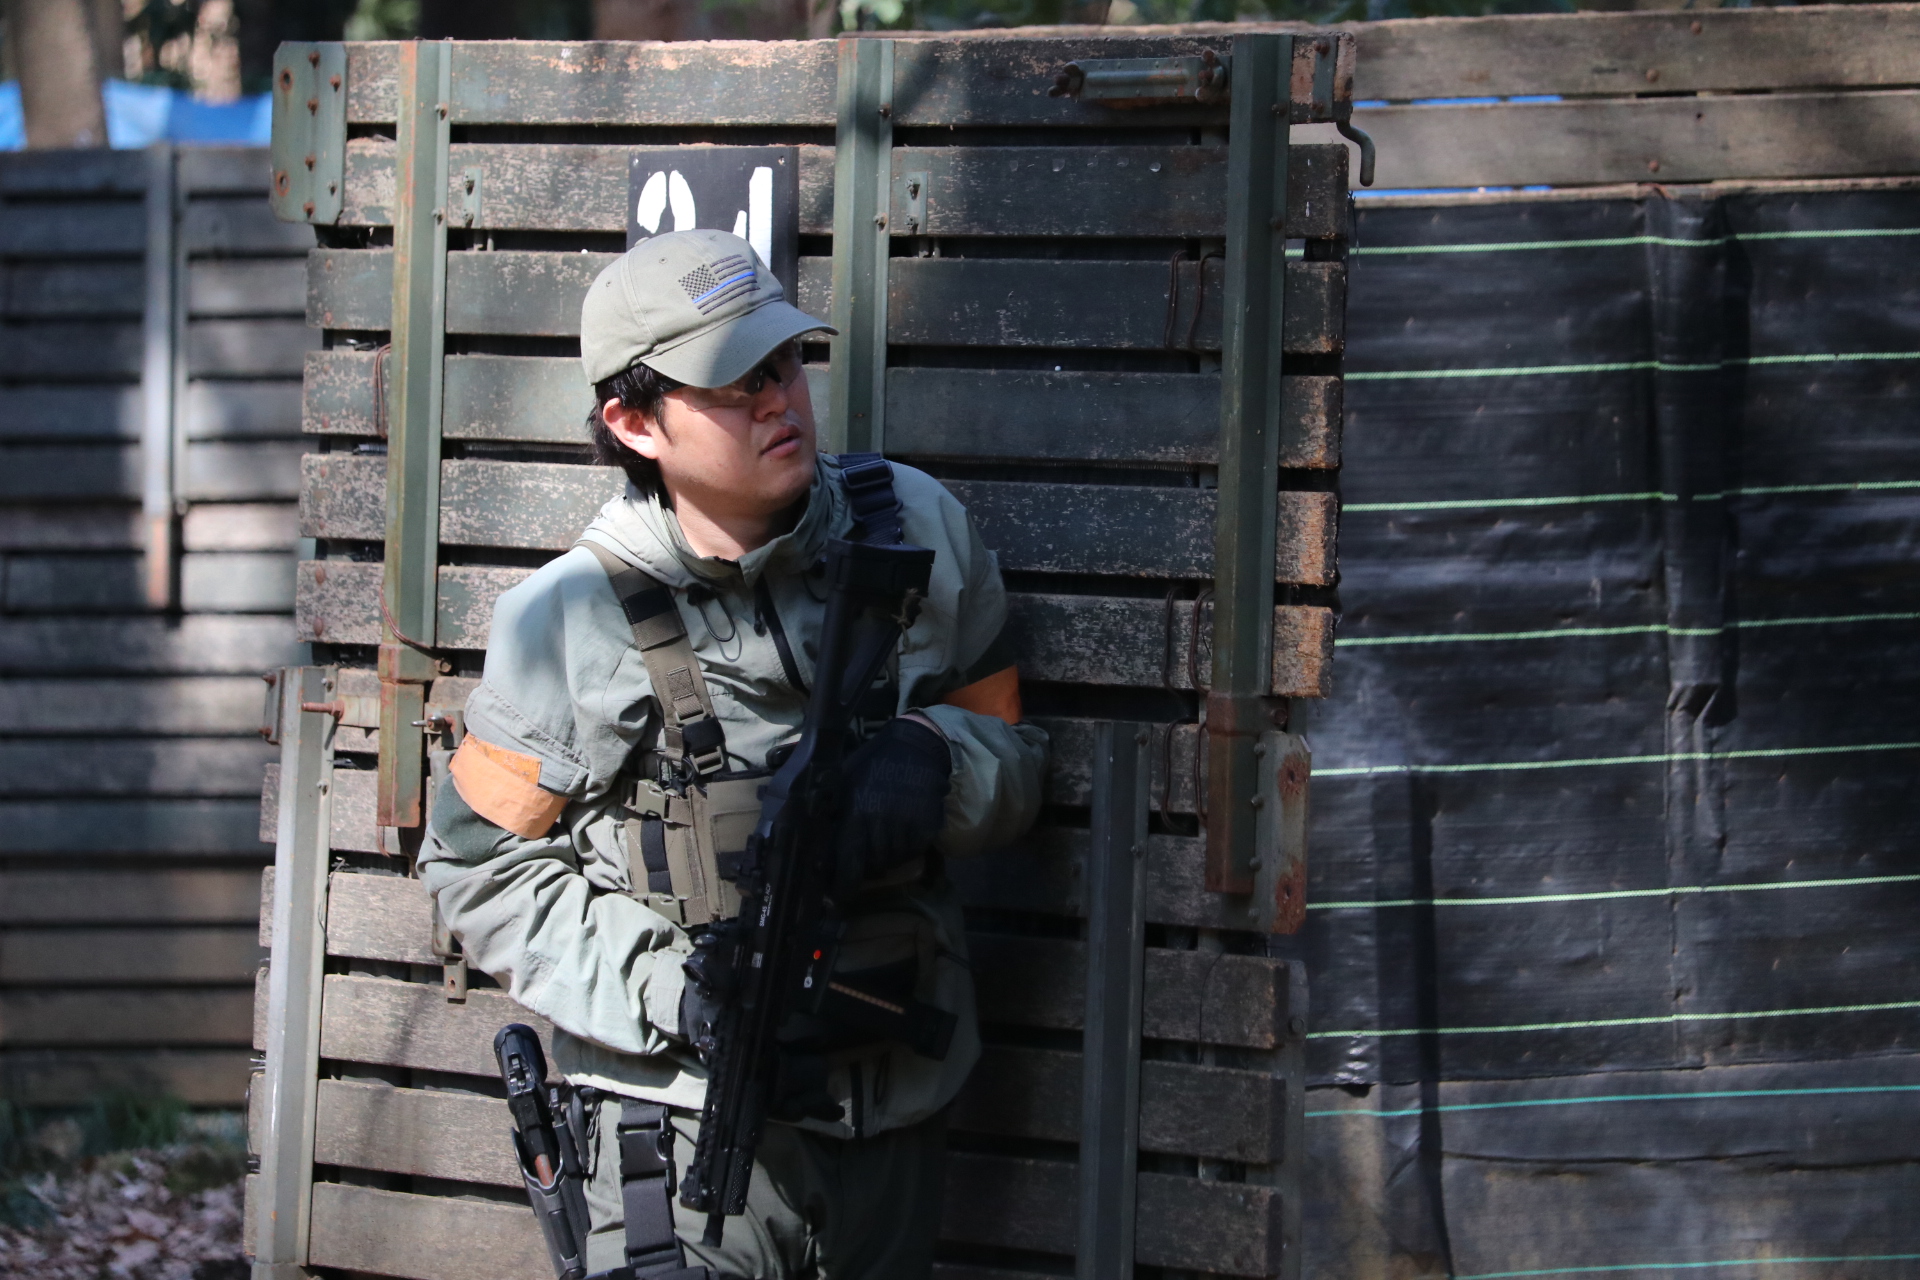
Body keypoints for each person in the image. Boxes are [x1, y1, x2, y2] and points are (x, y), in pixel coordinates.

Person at [419, 228, 1049, 1280]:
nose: (777, 400)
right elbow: (476, 871)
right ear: (634, 422)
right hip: (683, 1124)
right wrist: (675, 991)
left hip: (895, 1105)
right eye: (733, 383)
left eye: (785, 363)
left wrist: (939, 762)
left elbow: (1017, 758)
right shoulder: (565, 619)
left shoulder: (921, 527)